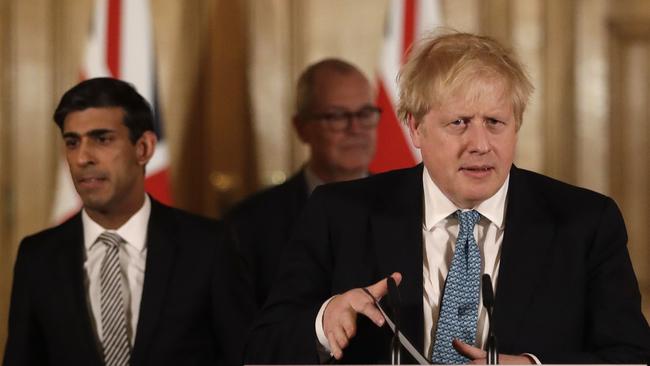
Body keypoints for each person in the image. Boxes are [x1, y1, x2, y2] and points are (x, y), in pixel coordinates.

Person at [245, 32, 650, 364]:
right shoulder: (340, 213)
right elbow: (261, 349)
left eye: (495, 123)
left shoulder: (585, 222)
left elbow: (631, 356)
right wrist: (324, 320)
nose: (480, 144)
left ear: (517, 125)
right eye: (458, 123)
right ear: (416, 128)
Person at [3, 77, 253, 366]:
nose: (83, 157)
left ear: (144, 148)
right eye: (72, 142)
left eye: (102, 139)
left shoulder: (209, 247)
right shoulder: (38, 257)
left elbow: (244, 356)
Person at [225, 58, 379, 307]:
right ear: (302, 128)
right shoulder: (247, 226)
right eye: (337, 116)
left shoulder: (410, 209)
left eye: (365, 113)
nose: (355, 128)